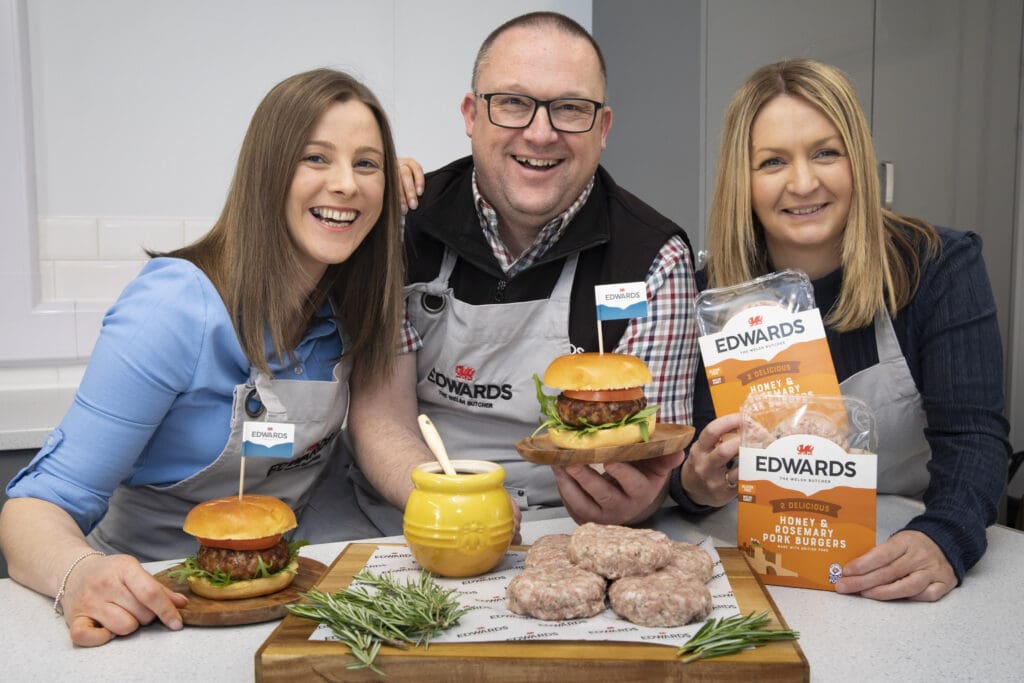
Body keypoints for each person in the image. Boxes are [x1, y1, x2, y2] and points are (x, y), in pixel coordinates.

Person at [0, 68, 415, 645]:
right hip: (151, 611)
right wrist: (80, 576)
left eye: (365, 164)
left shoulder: (350, 305)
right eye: (314, 158)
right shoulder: (173, 308)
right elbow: (34, 507)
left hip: (284, 602)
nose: (345, 184)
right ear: (266, 172)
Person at [670, 58, 1011, 601]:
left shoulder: (937, 266)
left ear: (860, 160)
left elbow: (974, 437)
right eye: (772, 161)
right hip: (763, 564)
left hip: (894, 555)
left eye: (826, 152)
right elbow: (685, 460)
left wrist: (946, 537)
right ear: (743, 179)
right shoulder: (709, 295)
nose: (803, 183)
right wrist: (692, 486)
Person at [347, 11, 699, 533]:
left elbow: (651, 447)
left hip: (574, 530)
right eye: (512, 103)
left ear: (602, 128)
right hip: (411, 512)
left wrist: (635, 500)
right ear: (471, 114)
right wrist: (455, 503)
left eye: (570, 109)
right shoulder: (404, 225)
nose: (540, 133)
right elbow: (381, 417)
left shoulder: (655, 258)